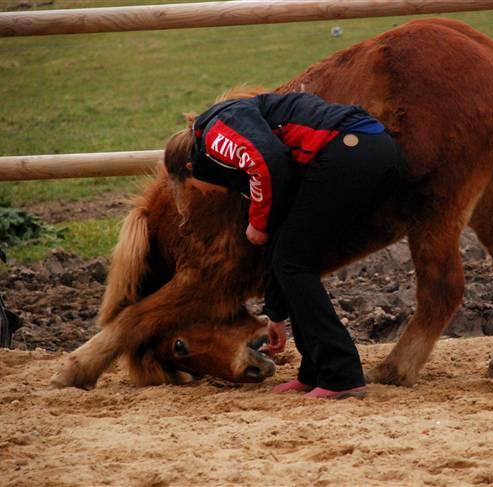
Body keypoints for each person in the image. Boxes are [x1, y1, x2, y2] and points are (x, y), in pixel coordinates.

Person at [164, 92, 406, 399]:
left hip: (353, 150)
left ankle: (341, 375)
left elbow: (270, 159)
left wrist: (258, 221)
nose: (206, 194)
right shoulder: (241, 166)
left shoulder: (214, 136)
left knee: (293, 262)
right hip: (360, 151)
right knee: (291, 259)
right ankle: (316, 370)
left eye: (194, 189)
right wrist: (276, 315)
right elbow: (276, 243)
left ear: (190, 167)